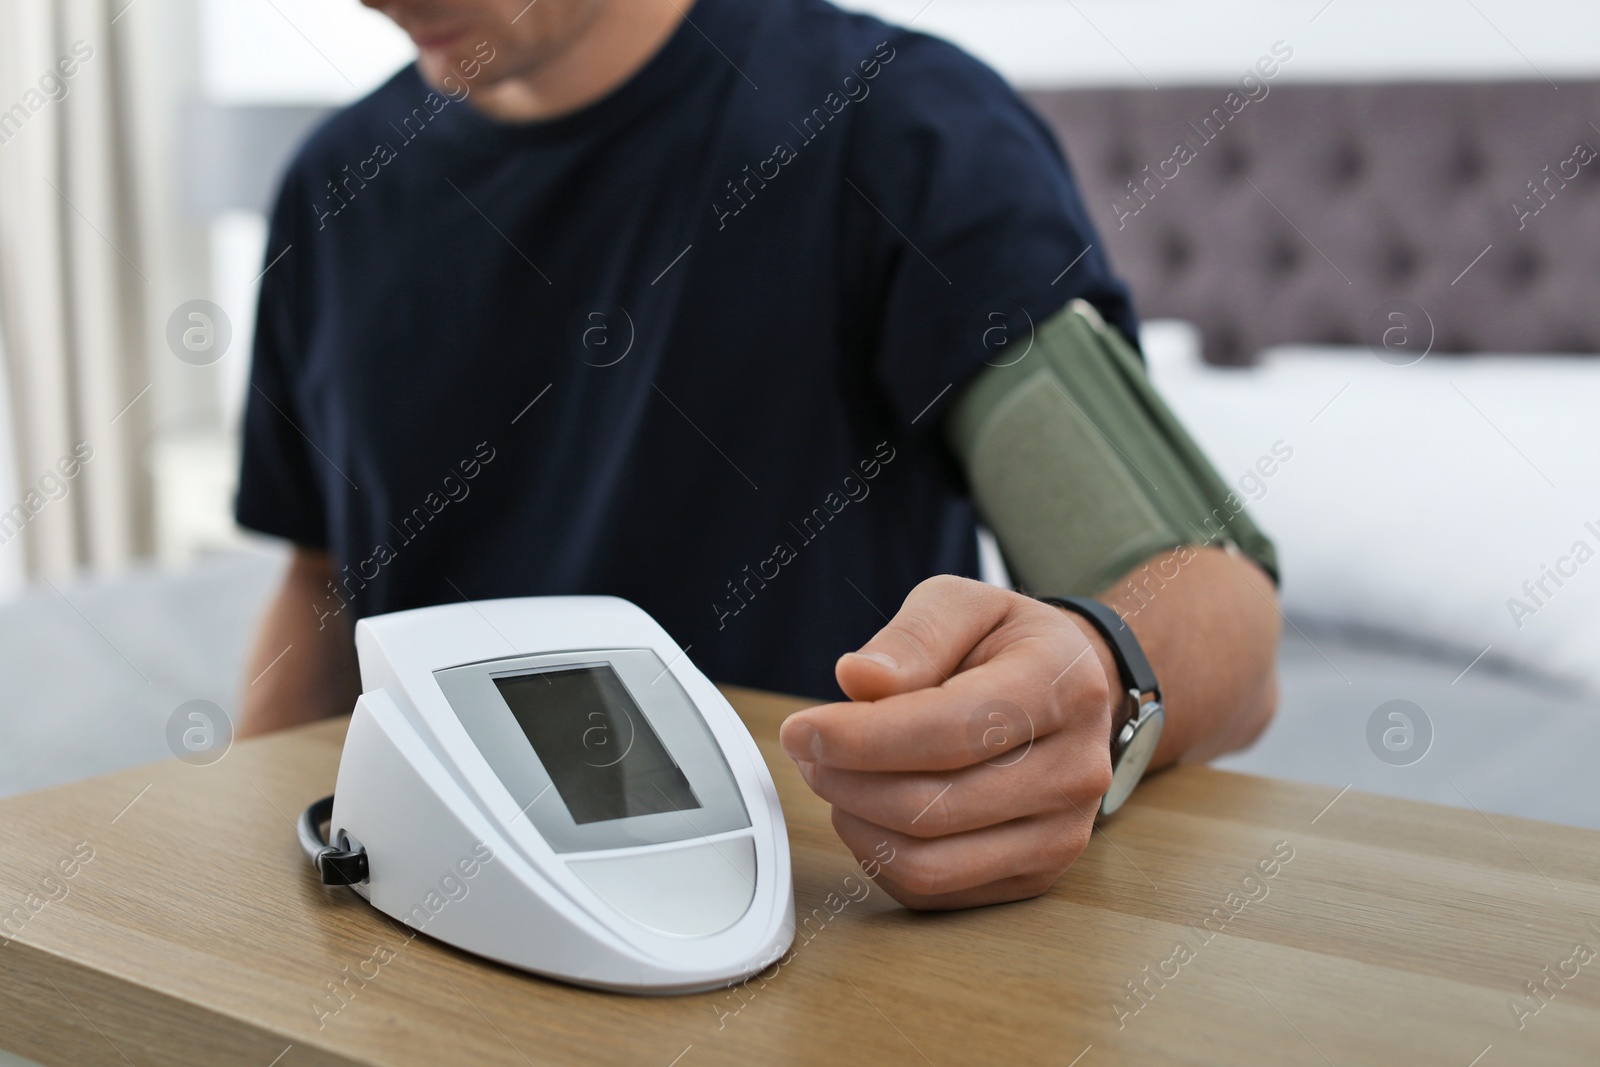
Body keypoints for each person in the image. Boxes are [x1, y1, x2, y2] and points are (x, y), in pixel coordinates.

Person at [236, 0, 1281, 912]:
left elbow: (1214, 602)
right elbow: (320, 576)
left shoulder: (897, 128)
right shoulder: (332, 189)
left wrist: (1095, 673)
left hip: (790, 922)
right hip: (422, 905)